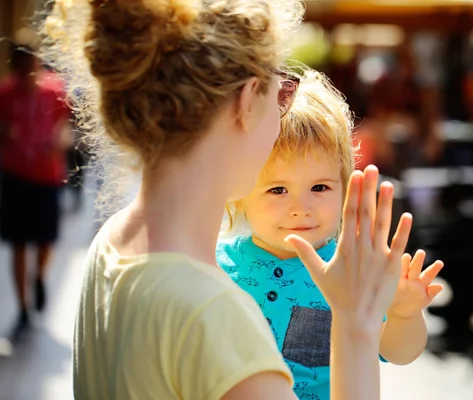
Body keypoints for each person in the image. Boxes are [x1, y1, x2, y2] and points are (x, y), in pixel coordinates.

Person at [40, 0, 414, 399]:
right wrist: (354, 321)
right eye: (282, 91)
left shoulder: (112, 244)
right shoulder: (215, 314)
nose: (283, 111)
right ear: (249, 100)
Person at [218, 70, 444, 399]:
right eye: (278, 189)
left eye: (319, 187)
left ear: (345, 190)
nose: (301, 207)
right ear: (240, 192)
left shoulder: (352, 270)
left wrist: (402, 313)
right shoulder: (218, 267)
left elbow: (399, 352)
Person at [0, 43, 71, 333]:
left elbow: (66, 125)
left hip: (46, 176)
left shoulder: (53, 91)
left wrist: (59, 143)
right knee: (18, 243)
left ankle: (39, 275)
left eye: (31, 64)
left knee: (45, 240)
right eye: (22, 65)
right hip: (16, 176)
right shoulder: (4, 94)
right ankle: (23, 307)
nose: (27, 71)